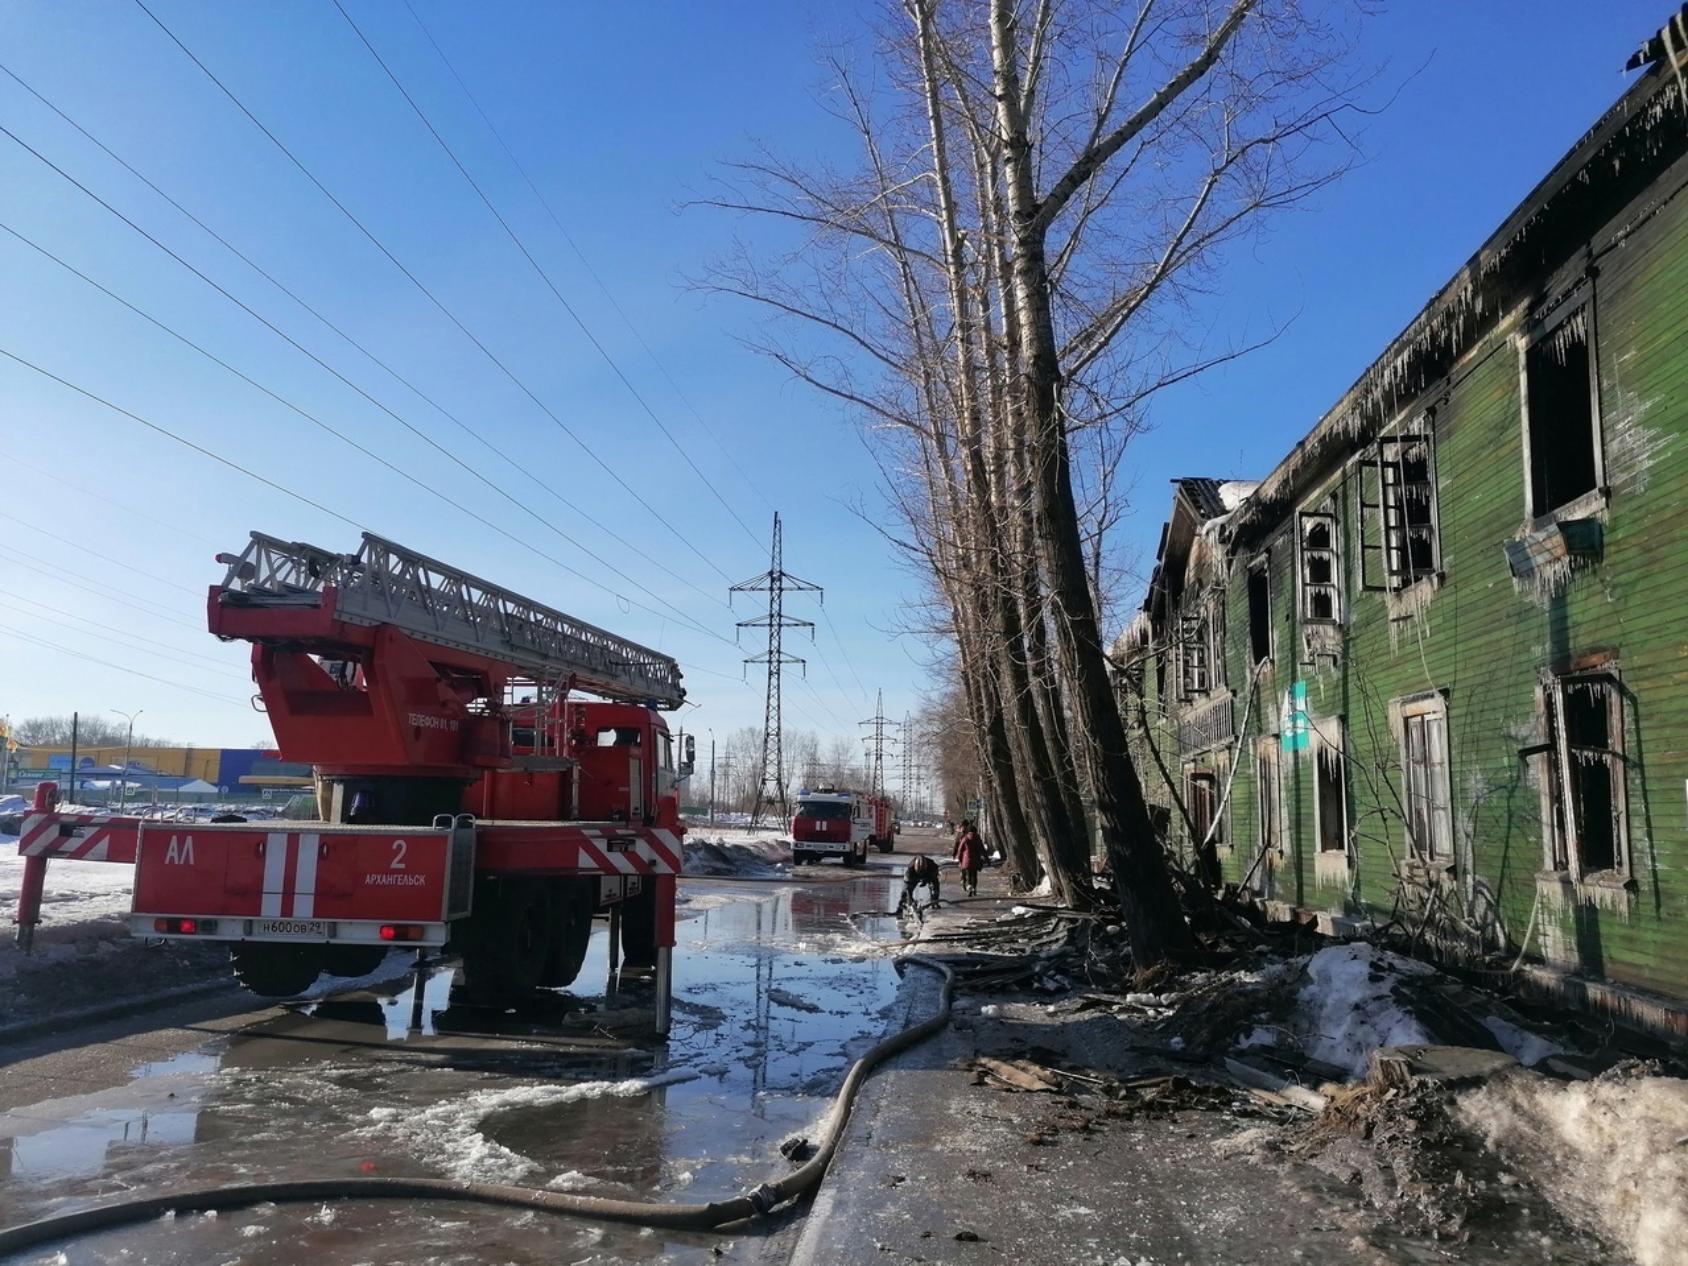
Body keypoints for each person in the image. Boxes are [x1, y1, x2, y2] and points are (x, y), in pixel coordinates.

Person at [897, 854, 941, 919]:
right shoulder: (910, 869)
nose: (921, 874)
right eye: (919, 872)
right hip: (915, 876)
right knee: (904, 892)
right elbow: (907, 887)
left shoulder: (932, 866)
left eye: (922, 872)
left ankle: (934, 902)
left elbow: (934, 880)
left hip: (928, 875)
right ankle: (901, 907)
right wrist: (910, 900)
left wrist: (926, 881)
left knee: (934, 888)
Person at [953, 819, 985, 897]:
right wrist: (986, 859)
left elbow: (959, 848)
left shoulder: (964, 837)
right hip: (975, 860)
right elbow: (982, 849)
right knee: (974, 875)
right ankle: (973, 888)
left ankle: (968, 887)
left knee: (967, 875)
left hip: (965, 860)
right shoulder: (977, 838)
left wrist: (959, 858)